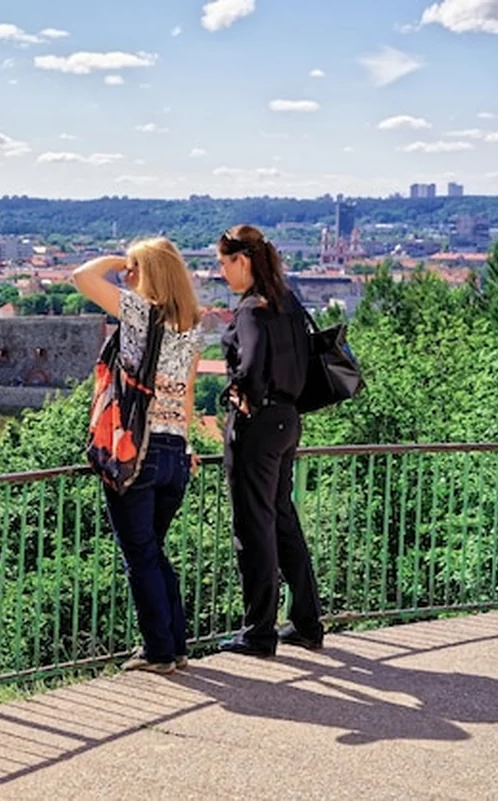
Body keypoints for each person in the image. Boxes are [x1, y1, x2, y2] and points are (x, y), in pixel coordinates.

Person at [74, 237, 204, 673]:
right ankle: (176, 644)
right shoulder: (193, 325)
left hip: (136, 449)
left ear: (144, 271)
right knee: (152, 551)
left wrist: (120, 261)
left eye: (134, 269)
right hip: (174, 453)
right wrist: (186, 445)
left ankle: (158, 651)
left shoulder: (138, 312)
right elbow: (186, 399)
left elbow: (82, 277)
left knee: (141, 555)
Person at [215, 224, 324, 658]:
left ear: (242, 260)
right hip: (289, 419)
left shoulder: (251, 309)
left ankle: (258, 631)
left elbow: (255, 358)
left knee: (252, 526)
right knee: (281, 519)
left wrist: (242, 392)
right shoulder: (287, 302)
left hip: (258, 426)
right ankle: (306, 622)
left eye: (224, 263)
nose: (222, 272)